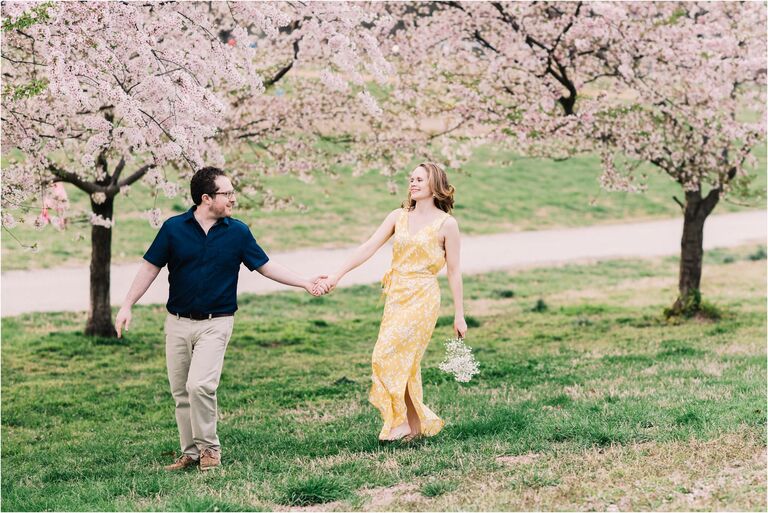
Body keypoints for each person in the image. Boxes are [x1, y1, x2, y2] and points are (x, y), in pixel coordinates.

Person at [114, 166, 328, 471]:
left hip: (217, 322)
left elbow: (266, 266)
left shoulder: (238, 232)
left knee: (200, 385)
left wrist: (305, 281)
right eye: (226, 193)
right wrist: (127, 305)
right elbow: (150, 267)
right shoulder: (174, 229)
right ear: (206, 198)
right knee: (181, 392)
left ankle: (210, 450)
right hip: (177, 322)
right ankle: (190, 453)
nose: (233, 199)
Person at [318, 162, 467, 441]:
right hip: (397, 293)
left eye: (419, 179)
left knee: (386, 354)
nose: (412, 183)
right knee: (406, 363)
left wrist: (459, 314)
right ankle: (414, 427)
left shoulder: (448, 225)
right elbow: (368, 247)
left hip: (423, 296)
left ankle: (398, 422)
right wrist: (337, 275)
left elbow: (455, 271)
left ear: (435, 185)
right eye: (411, 179)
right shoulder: (398, 216)